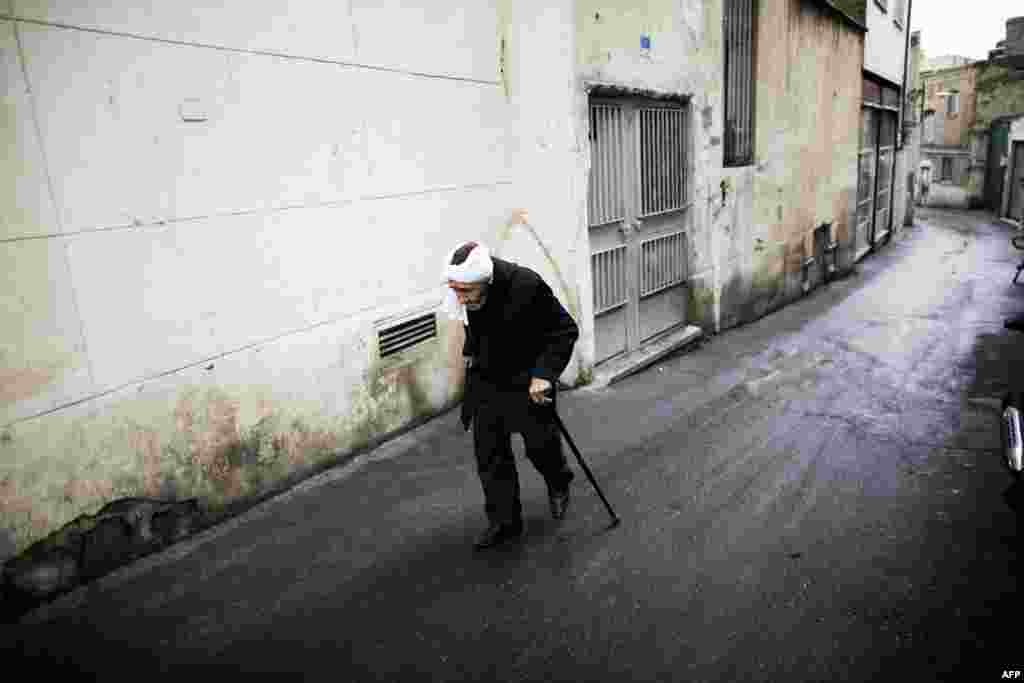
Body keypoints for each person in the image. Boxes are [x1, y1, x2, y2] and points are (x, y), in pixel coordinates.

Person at [442, 241, 580, 549]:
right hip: (489, 383)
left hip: (528, 381)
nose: (460, 300)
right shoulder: (469, 293)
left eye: (466, 293)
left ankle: (559, 482)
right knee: (490, 455)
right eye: (457, 292)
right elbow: (476, 328)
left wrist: (544, 375)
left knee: (539, 446)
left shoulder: (527, 285)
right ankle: (505, 521)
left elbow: (564, 330)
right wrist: (470, 353)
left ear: (486, 281)